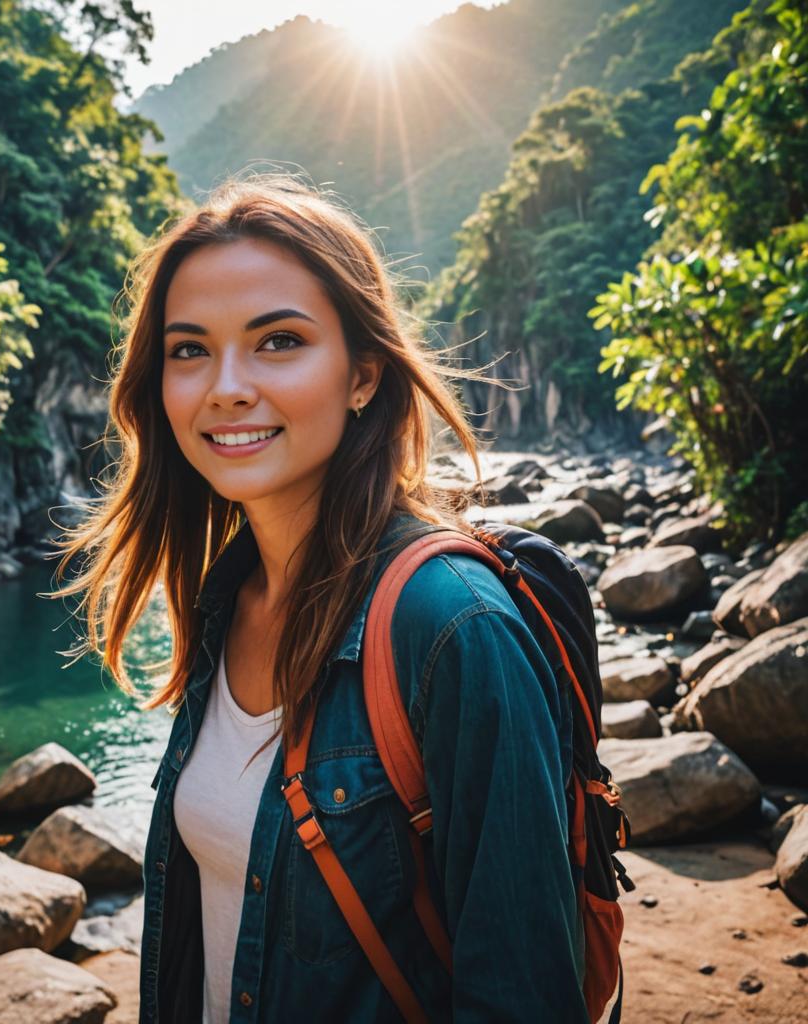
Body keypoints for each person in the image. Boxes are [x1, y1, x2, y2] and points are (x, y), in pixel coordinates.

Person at [48, 173, 588, 1022]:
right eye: (190, 349)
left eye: (278, 341)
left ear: (364, 374)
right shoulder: (226, 599)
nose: (225, 386)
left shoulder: (452, 626)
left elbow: (524, 995)